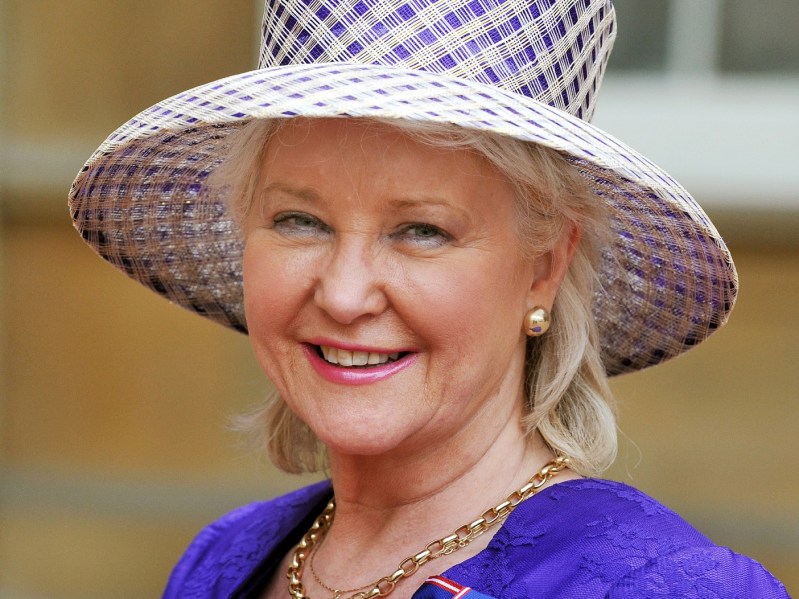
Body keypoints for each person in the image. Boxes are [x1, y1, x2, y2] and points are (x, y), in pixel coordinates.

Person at [68, 0, 789, 597]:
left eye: (421, 231)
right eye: (299, 220)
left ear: (543, 267)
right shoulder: (223, 563)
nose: (346, 293)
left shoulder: (657, 585)